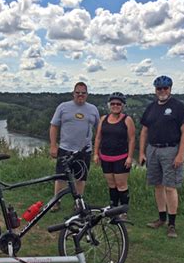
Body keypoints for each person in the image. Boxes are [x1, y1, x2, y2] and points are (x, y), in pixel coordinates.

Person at [138, 75, 184, 238]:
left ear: (170, 89)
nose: (162, 91)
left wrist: (181, 154)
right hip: (152, 149)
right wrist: (141, 152)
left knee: (170, 187)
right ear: (155, 90)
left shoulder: (178, 107)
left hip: (170, 150)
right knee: (157, 185)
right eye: (159, 88)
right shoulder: (151, 107)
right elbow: (144, 131)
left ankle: (172, 224)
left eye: (165, 88)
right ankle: (161, 218)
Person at [49, 82, 100, 212]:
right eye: (78, 92)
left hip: (84, 150)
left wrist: (98, 150)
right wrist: (53, 145)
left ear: (87, 94)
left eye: (83, 93)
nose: (80, 95)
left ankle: (78, 203)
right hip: (65, 149)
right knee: (60, 177)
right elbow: (54, 126)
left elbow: (99, 129)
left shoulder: (93, 109)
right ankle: (56, 202)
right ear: (73, 93)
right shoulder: (63, 107)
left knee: (80, 178)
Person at [93, 92, 135, 215]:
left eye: (118, 104)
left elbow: (132, 139)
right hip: (105, 157)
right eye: (113, 104)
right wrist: (96, 154)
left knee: (121, 185)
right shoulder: (103, 119)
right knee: (111, 184)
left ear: (123, 105)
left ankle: (123, 211)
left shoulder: (127, 120)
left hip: (121, 157)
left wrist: (130, 157)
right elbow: (98, 138)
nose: (115, 106)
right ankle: (113, 208)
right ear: (109, 105)